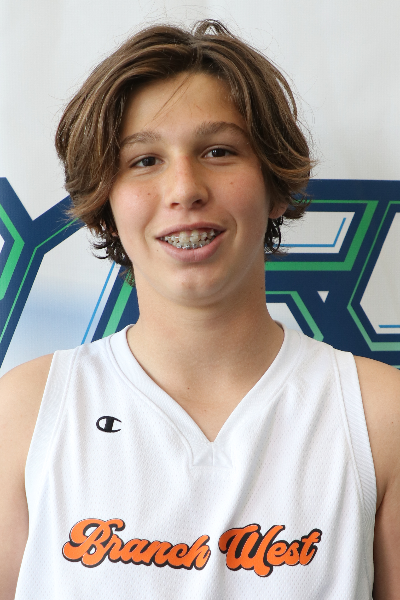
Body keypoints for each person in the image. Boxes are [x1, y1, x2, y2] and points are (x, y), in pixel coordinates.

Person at [0, 20, 399, 600]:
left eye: (219, 151)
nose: (185, 188)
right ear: (105, 204)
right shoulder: (25, 411)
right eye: (144, 160)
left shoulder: (380, 415)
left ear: (275, 184)